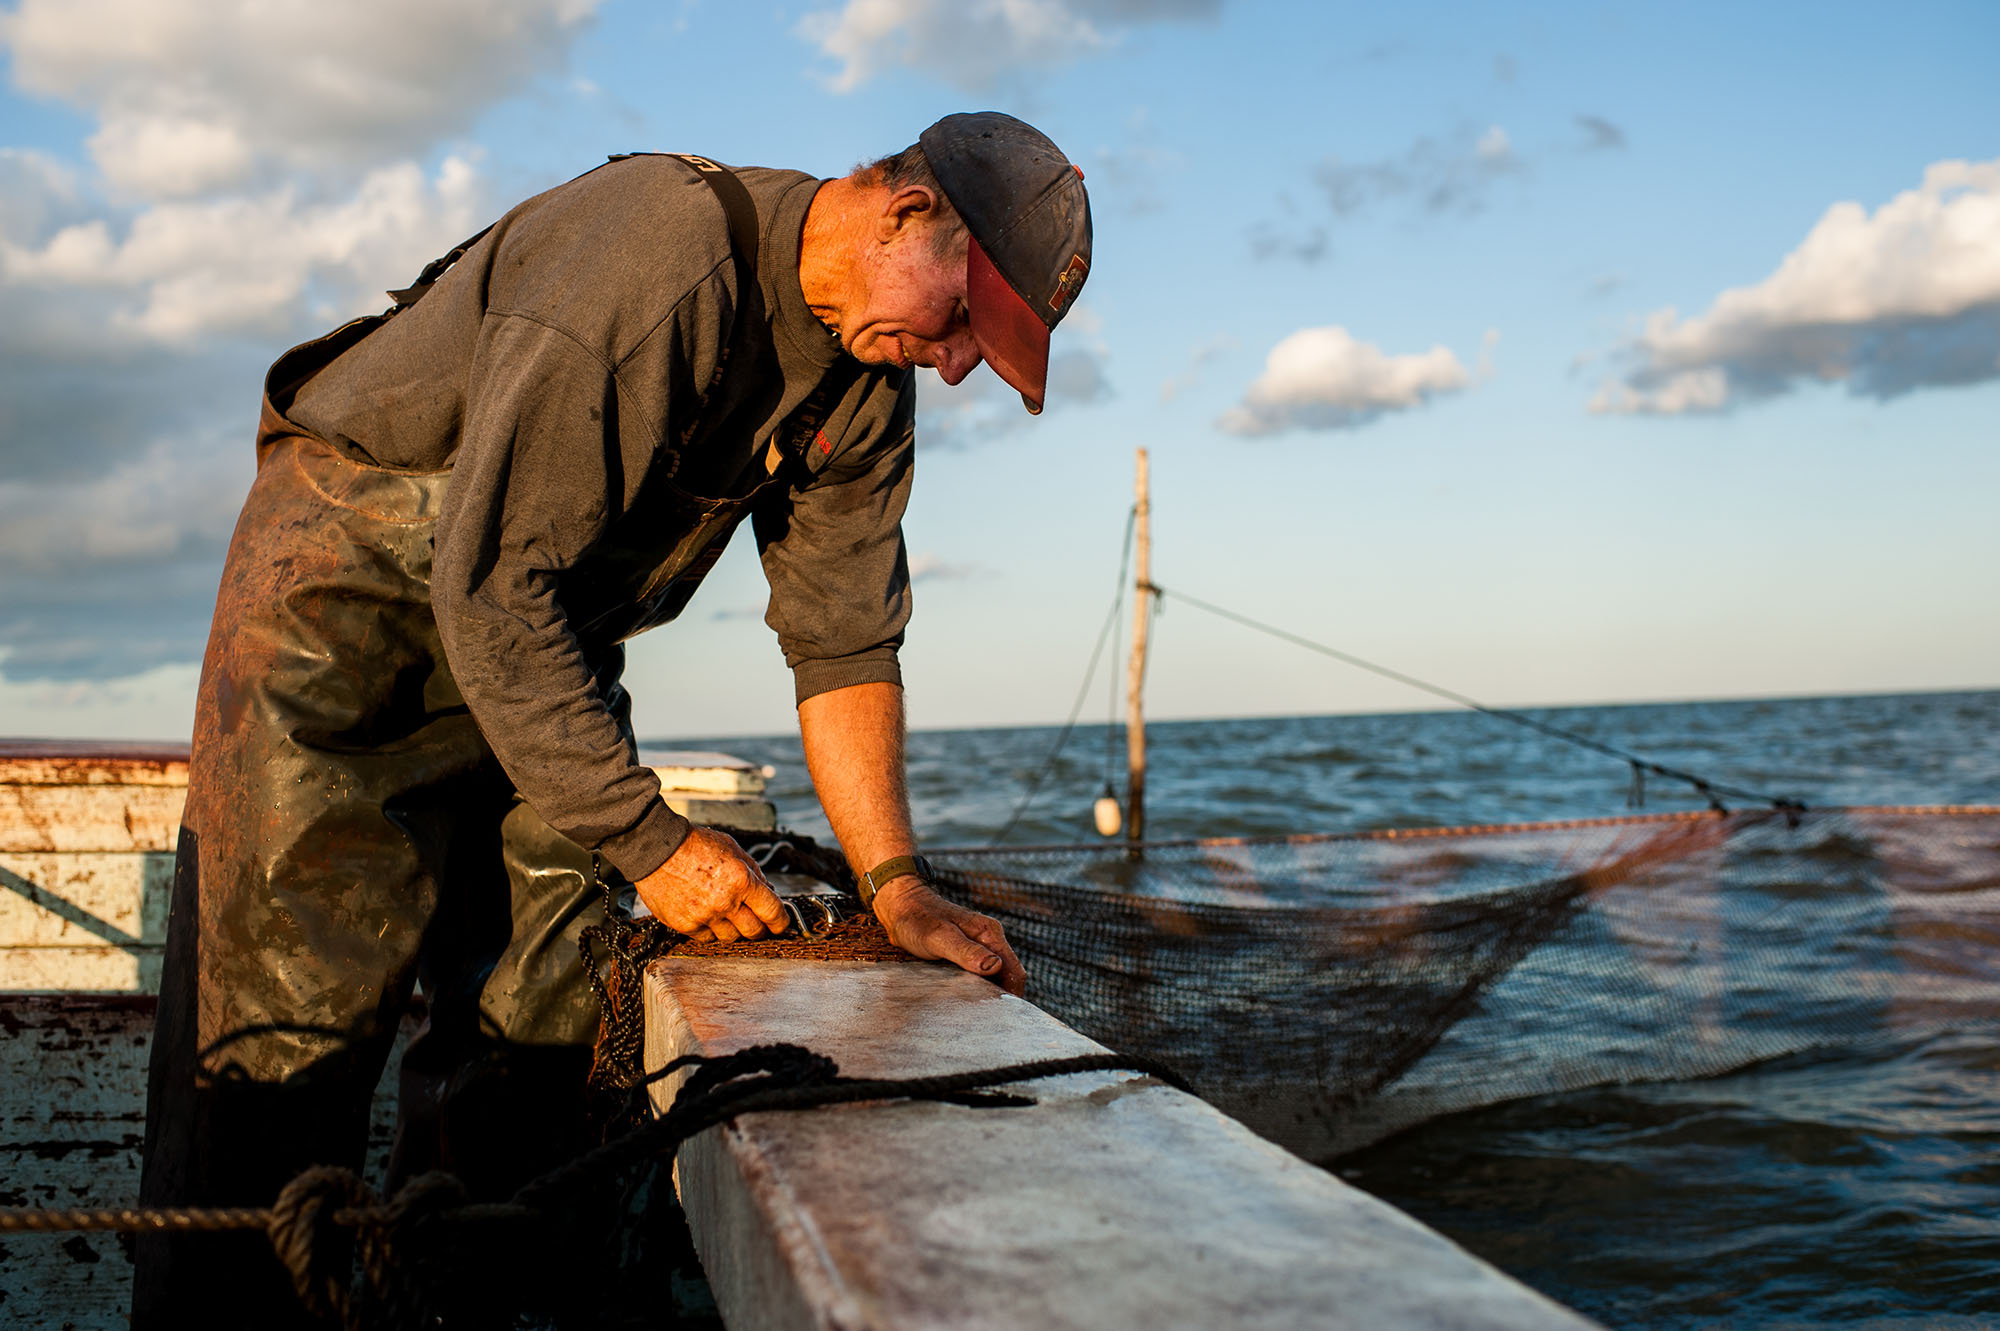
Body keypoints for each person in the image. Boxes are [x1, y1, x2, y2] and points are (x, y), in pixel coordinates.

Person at [133, 111, 1091, 1327]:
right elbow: (483, 588)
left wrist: (894, 881)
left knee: (547, 996)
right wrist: (654, 842)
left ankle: (465, 1305)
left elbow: (843, 641)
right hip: (345, 617)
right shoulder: (661, 259)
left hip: (541, 644)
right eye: (963, 319)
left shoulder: (864, 387)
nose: (954, 364)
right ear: (904, 212)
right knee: (288, 1031)